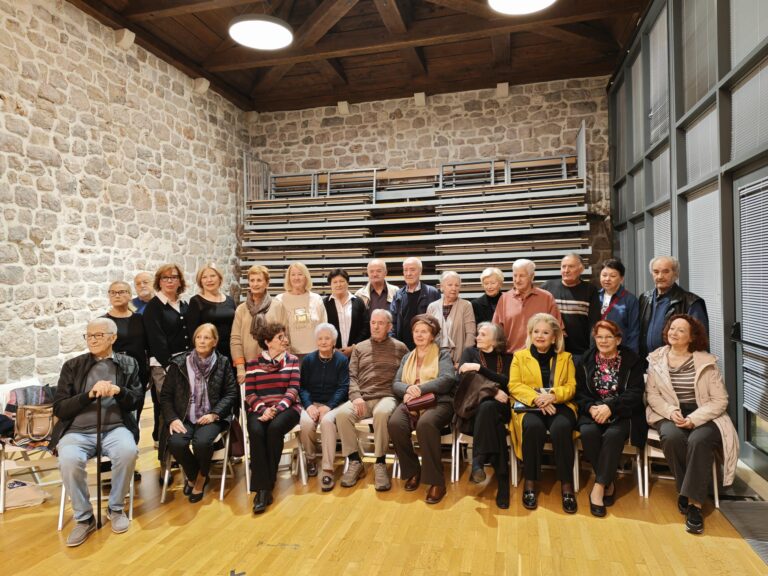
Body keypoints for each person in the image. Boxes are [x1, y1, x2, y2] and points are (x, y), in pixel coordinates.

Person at [51, 318, 143, 547]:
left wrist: (119, 391)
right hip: (77, 431)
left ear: (113, 337)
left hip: (115, 428)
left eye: (98, 335)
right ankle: (84, 518)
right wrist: (89, 395)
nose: (92, 339)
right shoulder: (72, 366)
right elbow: (60, 408)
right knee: (69, 460)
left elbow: (137, 400)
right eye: (89, 335)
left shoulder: (129, 364)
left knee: (128, 451)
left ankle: (116, 508)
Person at [645, 314, 738, 534]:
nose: (673, 333)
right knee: (672, 437)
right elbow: (653, 395)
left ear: (691, 337)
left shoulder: (705, 361)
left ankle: (693, 504)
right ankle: (687, 491)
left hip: (704, 412)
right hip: (669, 412)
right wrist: (671, 412)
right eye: (672, 328)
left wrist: (694, 419)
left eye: (681, 330)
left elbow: (720, 400)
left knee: (698, 439)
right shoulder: (656, 359)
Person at [159, 324, 238, 503]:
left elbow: (231, 393)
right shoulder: (179, 363)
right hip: (184, 415)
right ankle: (196, 476)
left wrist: (215, 414)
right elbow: (165, 396)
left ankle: (200, 479)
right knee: (176, 442)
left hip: (211, 416)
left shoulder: (223, 362)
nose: (202, 341)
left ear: (215, 342)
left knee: (202, 442)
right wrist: (172, 419)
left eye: (207, 338)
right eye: (199, 337)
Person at [508, 313, 578, 513]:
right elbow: (514, 385)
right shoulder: (519, 357)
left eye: (545, 332)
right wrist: (538, 399)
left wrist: (553, 396)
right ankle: (530, 482)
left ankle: (566, 485)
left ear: (554, 337)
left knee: (562, 427)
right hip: (530, 405)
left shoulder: (566, 358)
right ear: (530, 334)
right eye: (536, 331)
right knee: (532, 427)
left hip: (559, 404)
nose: (540, 336)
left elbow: (571, 386)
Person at [575, 320, 646, 517]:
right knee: (588, 432)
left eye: (609, 337)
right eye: (599, 337)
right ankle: (608, 480)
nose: (604, 341)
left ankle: (599, 486)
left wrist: (610, 407)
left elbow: (635, 392)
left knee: (613, 436)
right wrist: (591, 408)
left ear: (618, 339)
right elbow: (579, 392)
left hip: (623, 412)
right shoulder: (585, 360)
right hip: (593, 411)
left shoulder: (632, 360)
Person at [335, 309, 409, 492]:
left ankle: (380, 462)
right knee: (342, 414)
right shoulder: (359, 347)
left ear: (389, 327)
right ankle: (354, 461)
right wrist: (356, 396)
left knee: (382, 413)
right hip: (363, 398)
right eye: (373, 323)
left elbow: (407, 375)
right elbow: (352, 376)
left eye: (381, 323)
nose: (375, 326)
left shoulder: (400, 348)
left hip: (388, 396)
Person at [388, 314, 457, 504]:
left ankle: (437, 482)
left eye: (424, 331)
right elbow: (396, 383)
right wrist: (408, 389)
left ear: (432, 335)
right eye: (416, 331)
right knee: (394, 424)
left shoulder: (442, 354)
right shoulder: (407, 356)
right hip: (412, 403)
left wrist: (419, 389)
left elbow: (447, 379)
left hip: (439, 402)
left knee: (425, 425)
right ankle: (412, 471)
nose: (419, 335)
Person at [244, 322, 301, 514]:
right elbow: (250, 394)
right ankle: (264, 487)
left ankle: (263, 487)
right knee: (256, 430)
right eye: (280, 337)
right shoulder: (253, 364)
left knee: (275, 428)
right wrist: (263, 410)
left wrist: (275, 409)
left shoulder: (292, 360)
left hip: (287, 409)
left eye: (285, 337)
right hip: (260, 410)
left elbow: (293, 390)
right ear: (268, 342)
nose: (285, 340)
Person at [456, 322, 513, 508]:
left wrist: (479, 369)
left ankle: (478, 461)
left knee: (488, 408)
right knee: (489, 412)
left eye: (482, 334)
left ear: (495, 340)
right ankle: (503, 479)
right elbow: (465, 379)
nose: (477, 337)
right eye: (478, 334)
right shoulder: (470, 353)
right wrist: (493, 391)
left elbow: (506, 381)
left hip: (502, 408)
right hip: (473, 408)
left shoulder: (507, 358)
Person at [142, 264, 191, 453]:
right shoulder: (154, 307)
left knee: (184, 406)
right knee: (168, 408)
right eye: (165, 278)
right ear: (159, 281)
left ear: (180, 281)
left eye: (174, 277)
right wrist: (170, 366)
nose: (170, 281)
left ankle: (181, 449)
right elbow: (156, 340)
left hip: (185, 364)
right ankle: (166, 454)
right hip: (165, 366)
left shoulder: (183, 304)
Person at [103, 281, 148, 478]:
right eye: (113, 292)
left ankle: (128, 464)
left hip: (137, 375)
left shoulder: (140, 319)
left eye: (121, 292)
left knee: (133, 418)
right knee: (111, 417)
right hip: (113, 374)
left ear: (130, 295)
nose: (117, 295)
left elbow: (147, 346)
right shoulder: (103, 321)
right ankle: (107, 466)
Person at [298, 324, 349, 491]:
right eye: (320, 338)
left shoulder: (341, 360)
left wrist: (329, 406)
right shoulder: (308, 360)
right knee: (306, 423)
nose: (323, 341)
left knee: (327, 422)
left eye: (327, 338)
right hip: (313, 403)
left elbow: (343, 387)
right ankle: (311, 459)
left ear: (334, 341)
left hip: (334, 404)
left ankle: (327, 469)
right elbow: (302, 387)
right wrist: (309, 406)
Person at [639, 256, 709, 359]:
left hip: (677, 366)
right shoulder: (644, 298)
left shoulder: (691, 302)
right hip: (647, 365)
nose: (660, 276)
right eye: (656, 272)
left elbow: (699, 341)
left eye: (665, 272)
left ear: (676, 274)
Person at [230, 265, 289, 385]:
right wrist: (240, 368)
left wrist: (283, 364)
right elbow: (235, 340)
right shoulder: (241, 309)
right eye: (252, 280)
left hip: (275, 365)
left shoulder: (278, 306)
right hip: (248, 366)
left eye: (259, 280)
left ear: (267, 283)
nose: (255, 284)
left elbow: (285, 338)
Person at [541, 254, 601, 365]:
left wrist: (592, 352)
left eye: (571, 267)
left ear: (581, 269)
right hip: (551, 351)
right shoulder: (547, 287)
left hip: (579, 353)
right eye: (563, 266)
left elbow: (594, 323)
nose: (566, 270)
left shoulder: (590, 290)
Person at [492, 259, 562, 354]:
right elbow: (495, 332)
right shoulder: (504, 298)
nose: (517, 280)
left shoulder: (547, 297)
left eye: (522, 276)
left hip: (540, 357)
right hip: (510, 357)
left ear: (532, 276)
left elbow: (557, 331)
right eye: (515, 275)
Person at [276, 262, 327, 358]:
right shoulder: (280, 300)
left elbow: (324, 326)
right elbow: (275, 329)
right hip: (289, 354)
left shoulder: (316, 299)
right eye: (293, 275)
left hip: (315, 353)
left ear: (306, 277)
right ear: (289, 278)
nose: (296, 278)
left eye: (300, 274)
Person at [187, 263, 236, 361]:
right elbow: (192, 333)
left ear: (219, 278)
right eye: (204, 277)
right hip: (207, 354)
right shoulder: (196, 301)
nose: (209, 280)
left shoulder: (230, 300)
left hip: (230, 352)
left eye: (213, 276)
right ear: (200, 281)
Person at [389, 257, 440, 349]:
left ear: (420, 271)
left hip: (426, 347)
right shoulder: (398, 295)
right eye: (405, 270)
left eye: (412, 270)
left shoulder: (432, 293)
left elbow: (437, 323)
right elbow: (393, 322)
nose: (408, 273)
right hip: (402, 347)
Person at [427, 271, 476, 365]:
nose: (454, 288)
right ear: (442, 287)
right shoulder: (432, 307)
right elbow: (428, 334)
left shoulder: (466, 305)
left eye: (457, 285)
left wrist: (463, 360)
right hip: (435, 358)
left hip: (459, 359)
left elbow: (471, 334)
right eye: (450, 285)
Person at [322, 268, 369, 357]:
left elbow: (365, 327)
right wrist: (332, 348)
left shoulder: (358, 302)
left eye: (342, 281)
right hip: (332, 353)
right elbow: (322, 328)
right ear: (330, 285)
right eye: (335, 282)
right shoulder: (324, 304)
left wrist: (354, 347)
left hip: (356, 352)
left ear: (347, 282)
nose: (338, 284)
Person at [598, 258, 640, 353]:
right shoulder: (595, 297)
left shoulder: (630, 300)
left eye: (613, 276)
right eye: (604, 275)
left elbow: (634, 331)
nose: (607, 279)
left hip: (621, 351)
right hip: (598, 351)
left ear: (621, 279)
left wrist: (631, 355)